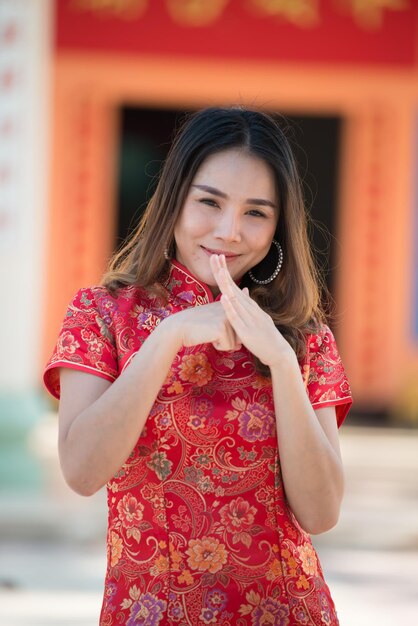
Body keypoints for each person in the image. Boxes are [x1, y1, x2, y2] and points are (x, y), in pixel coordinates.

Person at [43, 106, 352, 626]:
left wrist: (278, 359)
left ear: (279, 224)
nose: (230, 231)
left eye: (256, 212)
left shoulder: (303, 339)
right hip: (149, 612)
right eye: (210, 202)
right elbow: (82, 470)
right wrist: (169, 335)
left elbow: (321, 514)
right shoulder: (100, 314)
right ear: (175, 199)